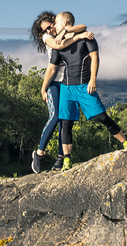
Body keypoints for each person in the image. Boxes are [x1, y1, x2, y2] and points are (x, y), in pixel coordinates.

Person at [45, 11, 127, 171]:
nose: (54, 26)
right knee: (66, 123)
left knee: (101, 116)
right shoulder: (58, 44)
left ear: (64, 23)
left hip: (84, 85)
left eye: (56, 23)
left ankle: (125, 143)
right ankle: (67, 160)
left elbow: (95, 58)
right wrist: (44, 88)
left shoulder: (86, 37)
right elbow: (52, 67)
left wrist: (93, 79)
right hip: (66, 87)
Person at [29, 11, 94, 173]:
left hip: (68, 82)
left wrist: (66, 31)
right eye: (44, 30)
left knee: (65, 120)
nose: (48, 31)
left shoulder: (63, 31)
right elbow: (55, 55)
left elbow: (83, 26)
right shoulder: (48, 39)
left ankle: (61, 158)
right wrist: (43, 88)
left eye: (50, 27)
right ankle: (39, 153)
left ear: (55, 22)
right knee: (56, 116)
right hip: (54, 83)